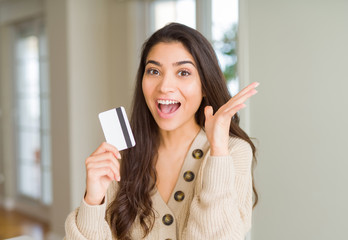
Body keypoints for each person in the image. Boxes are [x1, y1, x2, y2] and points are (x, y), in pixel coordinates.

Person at [65, 22, 259, 240]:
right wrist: (93, 200)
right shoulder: (120, 155)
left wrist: (218, 152)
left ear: (205, 85)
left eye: (183, 72)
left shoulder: (232, 152)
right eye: (154, 71)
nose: (165, 86)